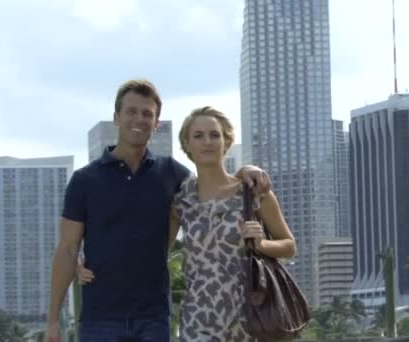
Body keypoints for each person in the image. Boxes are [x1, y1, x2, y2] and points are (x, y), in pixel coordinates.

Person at [45, 80, 271, 342]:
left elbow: (215, 185)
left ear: (156, 124)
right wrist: (52, 321)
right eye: (131, 112)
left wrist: (248, 170)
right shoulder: (84, 180)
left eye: (147, 114)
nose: (138, 119)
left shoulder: (172, 173)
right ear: (117, 118)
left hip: (153, 319)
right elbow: (67, 249)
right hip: (99, 319)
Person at [79, 106, 297, 341]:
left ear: (227, 141)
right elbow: (151, 253)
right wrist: (88, 260)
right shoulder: (182, 200)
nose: (207, 142)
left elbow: (289, 246)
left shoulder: (252, 192)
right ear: (188, 145)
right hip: (198, 321)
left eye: (215, 135)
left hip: (251, 319)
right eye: (198, 136)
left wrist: (262, 244)